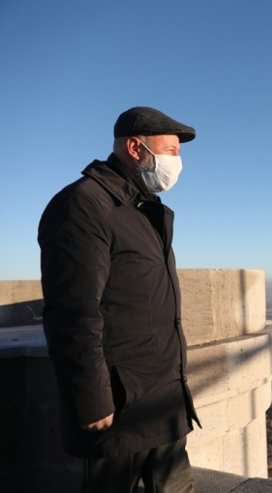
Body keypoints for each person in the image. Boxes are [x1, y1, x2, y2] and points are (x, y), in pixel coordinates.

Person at [38, 106, 201, 493]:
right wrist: (92, 400)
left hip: (162, 405)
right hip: (121, 410)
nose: (177, 162)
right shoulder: (84, 206)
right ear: (135, 147)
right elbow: (74, 312)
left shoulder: (144, 211)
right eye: (172, 150)